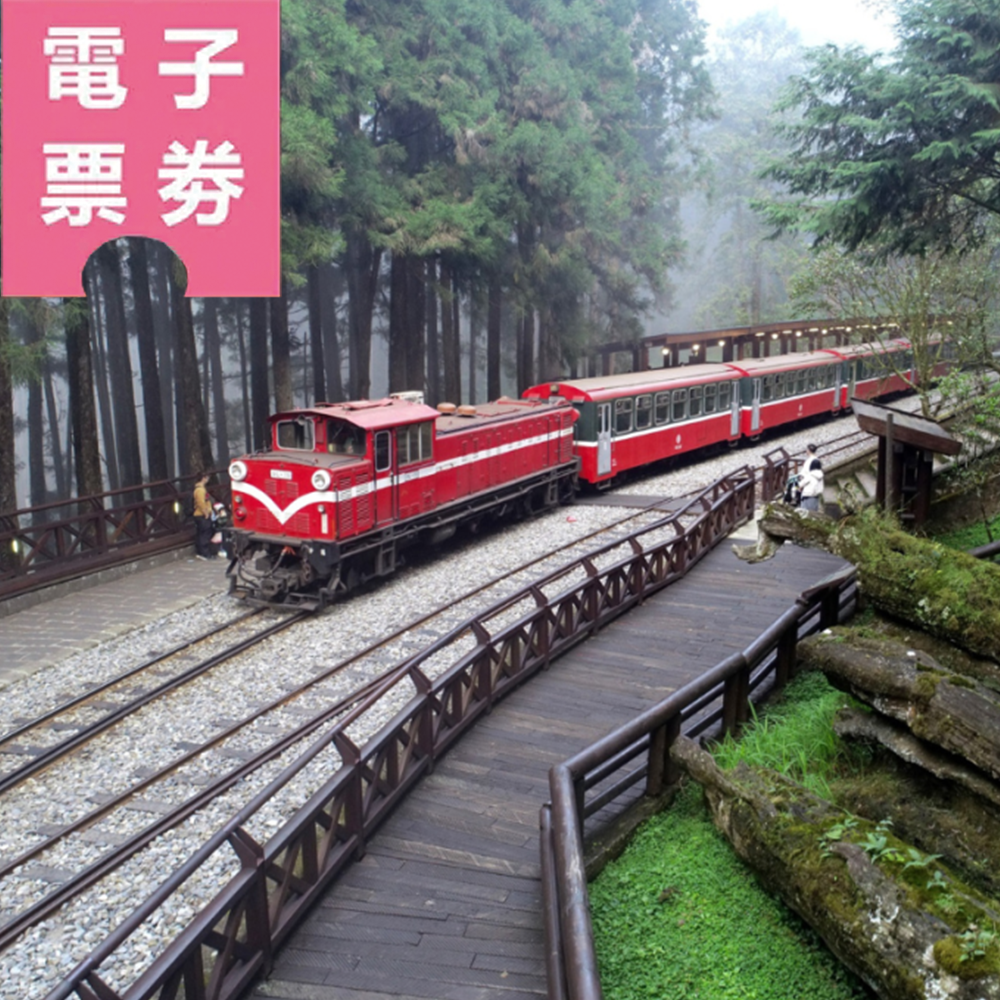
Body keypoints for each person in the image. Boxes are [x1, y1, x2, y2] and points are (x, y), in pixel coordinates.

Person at [192, 472, 214, 560]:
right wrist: (206, 513)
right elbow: (201, 503)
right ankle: (204, 553)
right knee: (205, 534)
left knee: (201, 533)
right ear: (203, 478)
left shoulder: (199, 489)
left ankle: (201, 552)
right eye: (207, 477)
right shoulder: (200, 490)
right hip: (201, 515)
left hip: (200, 514)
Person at [799, 444, 824, 512]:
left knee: (805, 510)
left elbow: (804, 478)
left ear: (808, 450)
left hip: (808, 491)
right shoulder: (817, 461)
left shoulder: (809, 462)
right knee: (814, 509)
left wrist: (800, 485)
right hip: (816, 493)